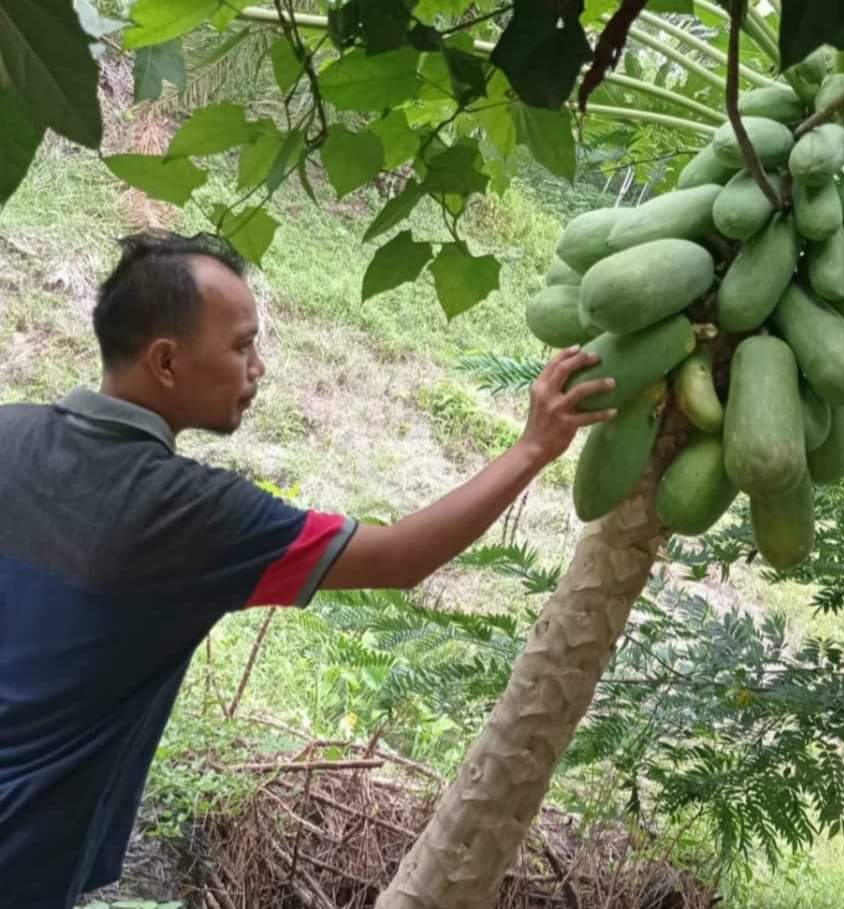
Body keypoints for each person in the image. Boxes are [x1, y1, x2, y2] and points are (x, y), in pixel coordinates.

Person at [0, 231, 616, 908]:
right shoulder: (193, 517)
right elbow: (400, 558)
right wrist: (533, 447)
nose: (258, 367)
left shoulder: (9, 431)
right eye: (241, 346)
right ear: (167, 361)